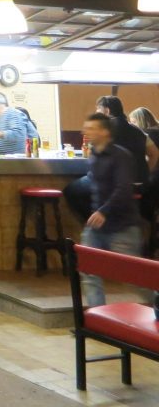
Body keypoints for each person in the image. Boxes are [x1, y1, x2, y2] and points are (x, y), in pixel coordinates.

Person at [79, 111, 142, 307]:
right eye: (86, 128)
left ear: (105, 132)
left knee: (135, 277)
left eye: (91, 128)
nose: (86, 132)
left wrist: (103, 211)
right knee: (89, 271)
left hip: (122, 226)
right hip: (97, 226)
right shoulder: (94, 154)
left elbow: (124, 190)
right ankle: (97, 316)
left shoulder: (120, 156)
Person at [65, 96, 158, 221]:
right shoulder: (139, 131)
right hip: (138, 184)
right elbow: (155, 153)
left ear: (107, 111)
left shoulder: (103, 131)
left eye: (98, 110)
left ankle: (95, 221)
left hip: (110, 183)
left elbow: (95, 158)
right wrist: (146, 172)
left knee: (71, 190)